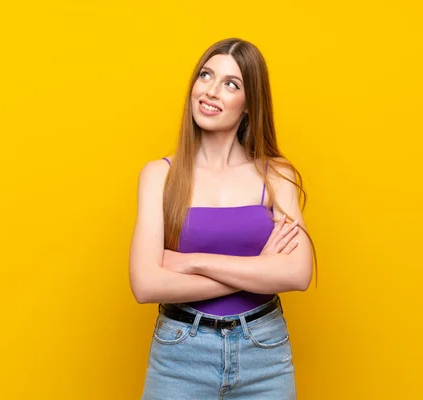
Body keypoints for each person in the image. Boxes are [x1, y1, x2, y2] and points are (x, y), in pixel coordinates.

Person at [129, 37, 316, 399]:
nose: (212, 91)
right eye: (206, 76)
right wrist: (259, 270)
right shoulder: (159, 176)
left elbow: (298, 273)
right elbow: (146, 285)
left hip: (264, 353)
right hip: (180, 354)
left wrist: (191, 262)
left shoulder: (277, 176)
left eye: (231, 84)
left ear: (249, 105)